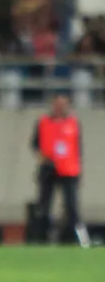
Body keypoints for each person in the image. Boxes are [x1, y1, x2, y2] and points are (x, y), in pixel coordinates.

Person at [32, 94, 89, 246]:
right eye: (57, 104)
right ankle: (41, 238)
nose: (60, 107)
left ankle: (80, 239)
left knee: (72, 207)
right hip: (48, 168)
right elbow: (35, 144)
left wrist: (78, 170)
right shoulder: (43, 122)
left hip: (68, 170)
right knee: (44, 206)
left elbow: (78, 148)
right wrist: (44, 158)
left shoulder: (73, 123)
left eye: (63, 104)